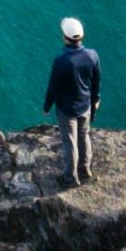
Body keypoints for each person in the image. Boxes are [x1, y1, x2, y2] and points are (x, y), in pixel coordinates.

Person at [41, 17, 100, 187]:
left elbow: (53, 87)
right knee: (84, 135)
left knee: (70, 142)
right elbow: (97, 81)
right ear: (81, 36)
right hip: (85, 105)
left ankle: (71, 178)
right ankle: (85, 169)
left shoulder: (61, 61)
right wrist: (96, 99)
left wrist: (47, 106)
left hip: (67, 109)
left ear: (65, 37)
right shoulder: (92, 55)